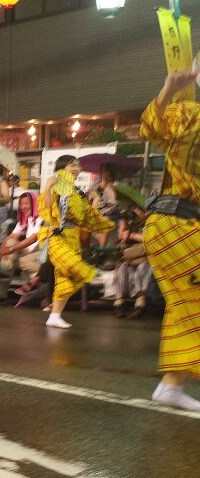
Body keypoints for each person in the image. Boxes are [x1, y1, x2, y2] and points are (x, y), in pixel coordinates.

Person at [139, 69, 200, 410]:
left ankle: (171, 385)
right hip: (178, 221)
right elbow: (151, 128)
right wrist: (169, 89)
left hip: (178, 224)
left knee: (188, 302)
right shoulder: (190, 114)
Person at [36, 155, 113, 329]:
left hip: (71, 235)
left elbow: (85, 218)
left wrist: (96, 200)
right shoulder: (57, 184)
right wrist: (47, 188)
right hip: (53, 233)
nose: (77, 168)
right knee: (71, 262)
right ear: (62, 168)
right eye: (72, 165)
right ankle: (98, 276)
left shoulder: (76, 192)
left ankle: (54, 316)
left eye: (78, 165)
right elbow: (47, 208)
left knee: (67, 278)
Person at [0, 191, 42, 302]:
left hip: (40, 257)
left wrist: (10, 250)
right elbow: (12, 236)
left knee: (14, 253)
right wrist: (2, 248)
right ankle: (1, 292)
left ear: (34, 203)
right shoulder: (23, 221)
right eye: (21, 204)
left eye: (27, 203)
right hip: (28, 254)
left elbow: (32, 239)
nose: (24, 207)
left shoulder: (40, 218)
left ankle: (4, 274)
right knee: (11, 243)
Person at [111, 205, 151, 318]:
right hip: (129, 255)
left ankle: (140, 304)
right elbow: (121, 236)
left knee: (142, 269)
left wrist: (132, 235)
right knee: (122, 269)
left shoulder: (152, 221)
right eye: (135, 209)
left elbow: (149, 239)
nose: (136, 211)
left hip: (146, 255)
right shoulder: (129, 220)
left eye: (139, 209)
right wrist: (124, 222)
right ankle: (119, 303)